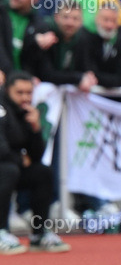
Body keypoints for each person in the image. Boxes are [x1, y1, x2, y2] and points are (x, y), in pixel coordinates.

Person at [0, 71, 70, 254]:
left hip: (11, 166)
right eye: (19, 92)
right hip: (5, 168)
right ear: (7, 90)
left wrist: (36, 129)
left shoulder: (27, 112)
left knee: (42, 172)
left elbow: (36, 156)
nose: (25, 97)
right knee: (9, 170)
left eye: (28, 93)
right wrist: (20, 159)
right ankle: (1, 232)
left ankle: (39, 234)